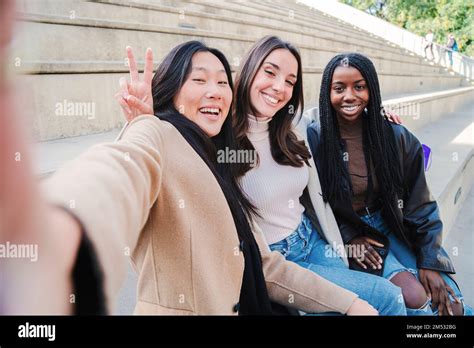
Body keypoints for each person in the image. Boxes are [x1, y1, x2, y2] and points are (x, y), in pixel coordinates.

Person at [2, 34, 376, 314]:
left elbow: (266, 267)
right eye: (199, 80)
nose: (214, 91)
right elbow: (117, 170)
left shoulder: (218, 159)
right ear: (172, 88)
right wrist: (65, 227)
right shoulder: (157, 134)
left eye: (220, 82)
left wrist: (350, 305)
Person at [231, 36, 407, 315]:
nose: (279, 87)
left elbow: (329, 112)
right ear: (249, 68)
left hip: (313, 239)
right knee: (388, 298)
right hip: (280, 260)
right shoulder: (221, 138)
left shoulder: (288, 129)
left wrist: (373, 110)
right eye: (270, 72)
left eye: (290, 81)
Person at [307, 52, 473, 316]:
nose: (349, 96)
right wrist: (348, 238)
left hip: (394, 223)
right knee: (413, 295)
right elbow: (314, 204)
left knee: (451, 306)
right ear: (327, 93)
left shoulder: (397, 137)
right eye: (339, 88)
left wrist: (429, 260)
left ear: (371, 90)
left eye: (359, 87)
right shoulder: (314, 140)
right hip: (351, 230)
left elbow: (422, 205)